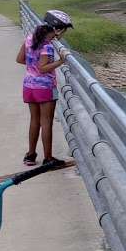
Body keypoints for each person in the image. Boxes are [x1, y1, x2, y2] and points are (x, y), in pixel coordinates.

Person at [16, 9, 72, 166]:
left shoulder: (29, 39)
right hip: (45, 87)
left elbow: (20, 59)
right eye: (64, 30)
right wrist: (61, 61)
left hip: (29, 86)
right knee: (46, 122)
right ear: (57, 29)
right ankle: (48, 158)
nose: (62, 34)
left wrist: (32, 65)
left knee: (35, 121)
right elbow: (43, 68)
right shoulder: (47, 46)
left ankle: (30, 155)